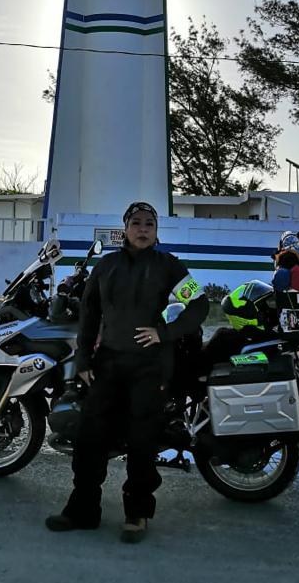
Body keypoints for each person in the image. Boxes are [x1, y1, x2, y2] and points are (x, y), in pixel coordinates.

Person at [45, 200, 209, 543]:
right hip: (107, 363)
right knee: (91, 439)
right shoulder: (106, 267)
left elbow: (199, 305)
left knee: (141, 441)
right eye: (137, 223)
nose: (143, 229)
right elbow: (89, 317)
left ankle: (137, 514)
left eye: (149, 223)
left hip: (150, 367)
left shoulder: (170, 266)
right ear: (125, 229)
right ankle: (83, 510)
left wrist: (163, 333)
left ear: (156, 230)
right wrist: (84, 363)